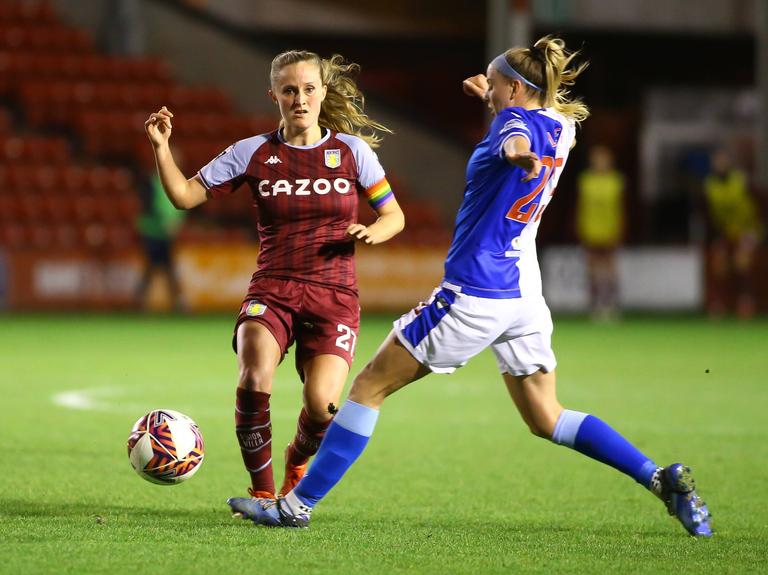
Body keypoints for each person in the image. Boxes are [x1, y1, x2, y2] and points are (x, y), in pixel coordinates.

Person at [226, 35, 712, 538]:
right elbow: (525, 116)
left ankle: (295, 506)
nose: (489, 91)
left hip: (474, 293)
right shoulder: (563, 126)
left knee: (369, 387)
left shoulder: (513, 125)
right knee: (547, 416)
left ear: (515, 92)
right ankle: (658, 479)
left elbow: (513, 136)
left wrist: (515, 148)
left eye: (495, 84)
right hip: (524, 294)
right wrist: (494, 96)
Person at [144, 50, 405, 500]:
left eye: (308, 89)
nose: (299, 99)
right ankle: (262, 493)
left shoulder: (352, 152)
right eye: (289, 90)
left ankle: (297, 458)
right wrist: (161, 147)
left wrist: (375, 231)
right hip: (273, 288)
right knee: (254, 376)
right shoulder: (252, 152)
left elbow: (394, 215)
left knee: (323, 409)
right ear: (274, 96)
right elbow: (185, 197)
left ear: (322, 92)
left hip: (335, 294)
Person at [703, 148, 763, 319]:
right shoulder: (710, 184)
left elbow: (757, 202)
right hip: (725, 230)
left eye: (722, 161)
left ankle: (746, 303)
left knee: (742, 264)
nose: (719, 164)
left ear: (729, 162)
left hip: (747, 228)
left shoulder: (740, 180)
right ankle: (718, 305)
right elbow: (710, 211)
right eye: (716, 161)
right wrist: (715, 233)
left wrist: (754, 229)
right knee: (719, 266)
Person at [575, 144, 625, 321]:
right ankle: (594, 305)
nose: (600, 163)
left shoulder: (616, 180)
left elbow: (620, 208)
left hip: (610, 230)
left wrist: (619, 230)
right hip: (590, 230)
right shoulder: (585, 180)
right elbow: (581, 207)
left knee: (610, 270)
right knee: (592, 271)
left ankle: (611, 304)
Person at [134, 149, 186, 312]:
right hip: (152, 232)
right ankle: (141, 302)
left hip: (168, 234)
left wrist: (175, 224)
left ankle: (176, 303)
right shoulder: (151, 182)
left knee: (165, 268)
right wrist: (165, 222)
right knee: (155, 267)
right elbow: (149, 206)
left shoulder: (179, 181)